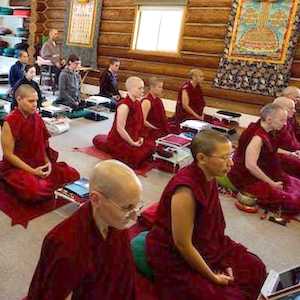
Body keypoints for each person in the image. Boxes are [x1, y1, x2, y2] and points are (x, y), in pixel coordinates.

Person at [146, 130, 266, 300]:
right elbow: (182, 244)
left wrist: (222, 261)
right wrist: (212, 276)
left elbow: (211, 227)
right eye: (224, 158)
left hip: (208, 244)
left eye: (230, 155)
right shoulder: (185, 191)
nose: (231, 163)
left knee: (256, 267)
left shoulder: (209, 177)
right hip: (173, 255)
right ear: (202, 158)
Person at [27, 160, 142, 300]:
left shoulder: (115, 223)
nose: (134, 217)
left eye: (137, 206)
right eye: (127, 208)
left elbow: (125, 275)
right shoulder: (66, 246)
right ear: (96, 199)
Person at [0, 84, 79, 203]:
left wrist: (48, 163)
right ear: (19, 99)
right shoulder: (9, 122)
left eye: (36, 101)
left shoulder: (37, 117)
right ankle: (9, 180)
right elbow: (8, 155)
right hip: (18, 167)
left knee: (73, 174)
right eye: (31, 101)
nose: (35, 104)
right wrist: (33, 171)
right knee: (33, 192)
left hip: (38, 162)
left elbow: (43, 146)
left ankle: (40, 182)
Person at [228, 103, 300, 213]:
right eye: (282, 120)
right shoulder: (257, 137)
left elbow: (271, 149)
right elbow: (250, 166)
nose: (285, 124)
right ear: (269, 119)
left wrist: (291, 153)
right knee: (293, 202)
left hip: (265, 170)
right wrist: (272, 183)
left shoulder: (267, 130)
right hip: (247, 177)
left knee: (296, 184)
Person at [94, 76, 155, 168]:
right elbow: (120, 128)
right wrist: (132, 142)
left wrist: (141, 136)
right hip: (120, 140)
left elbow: (140, 123)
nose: (143, 91)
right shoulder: (124, 106)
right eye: (140, 88)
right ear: (131, 89)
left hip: (134, 137)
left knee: (152, 146)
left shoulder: (138, 103)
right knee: (134, 159)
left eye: (143, 88)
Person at [272, 97, 300, 178]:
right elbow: (271, 147)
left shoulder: (288, 121)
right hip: (280, 156)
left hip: (294, 152)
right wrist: (291, 154)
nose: (294, 111)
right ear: (280, 109)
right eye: (292, 108)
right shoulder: (275, 124)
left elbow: (293, 140)